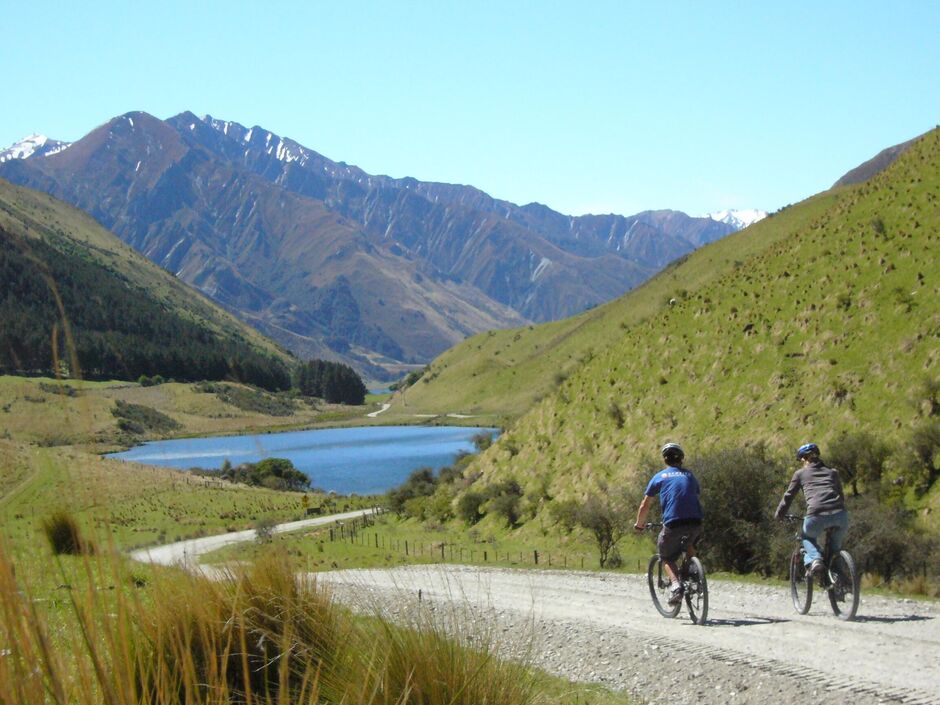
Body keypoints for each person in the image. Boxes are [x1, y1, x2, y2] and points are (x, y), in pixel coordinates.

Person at [634, 442, 703, 605]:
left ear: (665, 460)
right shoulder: (690, 476)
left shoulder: (659, 477)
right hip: (696, 521)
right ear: (682, 459)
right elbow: (695, 493)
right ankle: (696, 574)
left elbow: (645, 504)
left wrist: (639, 524)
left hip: (673, 522)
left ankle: (676, 586)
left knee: (666, 555)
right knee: (689, 543)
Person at [775, 442, 848, 577]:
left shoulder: (800, 474)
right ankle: (841, 580)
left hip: (816, 514)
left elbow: (788, 497)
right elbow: (841, 497)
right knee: (834, 550)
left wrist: (779, 514)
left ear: (804, 459)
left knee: (806, 537)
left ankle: (815, 559)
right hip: (840, 515)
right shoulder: (833, 473)